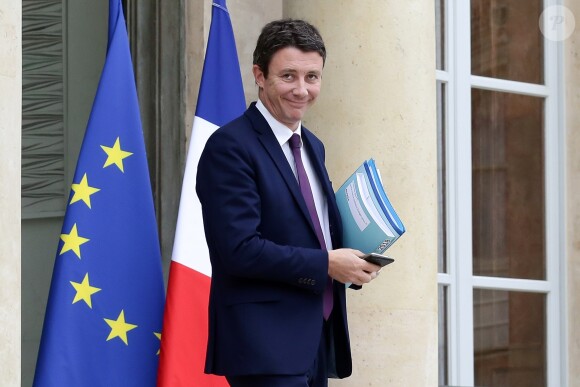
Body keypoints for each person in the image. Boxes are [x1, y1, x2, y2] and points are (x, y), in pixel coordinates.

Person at [196, 18, 381, 387]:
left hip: (315, 338)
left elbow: (312, 231)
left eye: (312, 77)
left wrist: (356, 262)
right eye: (288, 76)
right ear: (259, 75)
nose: (302, 90)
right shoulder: (229, 147)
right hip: (263, 345)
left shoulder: (313, 145)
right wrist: (327, 263)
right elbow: (238, 249)